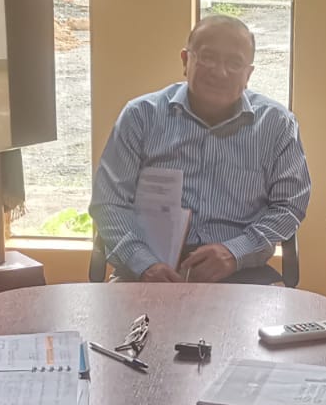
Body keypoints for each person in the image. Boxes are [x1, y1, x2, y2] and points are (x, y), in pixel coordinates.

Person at [90, 14, 311, 283]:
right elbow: (109, 202)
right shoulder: (140, 117)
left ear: (248, 74)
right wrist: (143, 262)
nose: (220, 72)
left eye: (234, 63)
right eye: (208, 57)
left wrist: (235, 252)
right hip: (146, 270)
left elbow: (289, 206)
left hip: (240, 271)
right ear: (186, 60)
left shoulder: (277, 124)